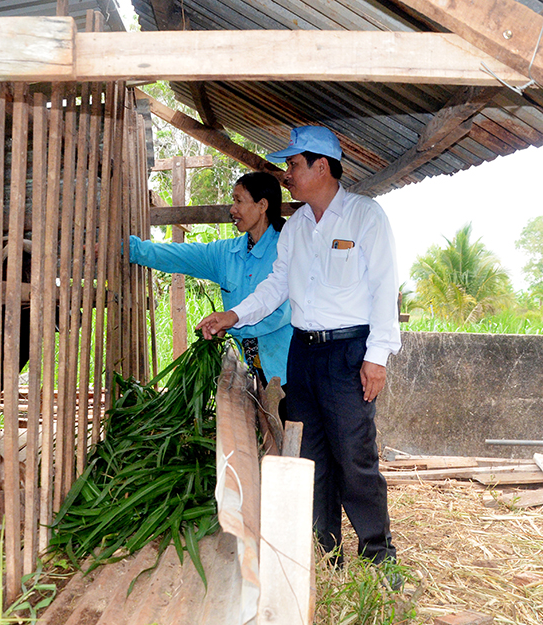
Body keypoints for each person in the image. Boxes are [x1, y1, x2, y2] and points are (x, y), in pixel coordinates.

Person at [197, 126, 401, 569]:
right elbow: (276, 286)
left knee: (354, 458)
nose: (286, 174)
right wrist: (233, 315)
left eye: (293, 164)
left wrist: (376, 357)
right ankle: (325, 558)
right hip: (303, 354)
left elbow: (386, 288)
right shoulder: (297, 228)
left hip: (349, 353)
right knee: (310, 457)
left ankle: (379, 560)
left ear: (321, 166)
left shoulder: (366, 216)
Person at [129, 171, 292, 389]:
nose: (232, 209)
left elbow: (278, 314)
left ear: (262, 205)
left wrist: (230, 322)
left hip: (289, 371)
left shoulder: (287, 248)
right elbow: (178, 256)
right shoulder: (227, 254)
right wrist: (129, 249)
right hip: (255, 372)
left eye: (238, 201)